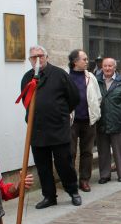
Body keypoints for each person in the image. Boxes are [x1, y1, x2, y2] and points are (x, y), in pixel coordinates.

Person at [21, 45, 81, 208]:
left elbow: (74, 97)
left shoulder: (59, 74)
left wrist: (61, 113)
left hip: (57, 128)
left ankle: (73, 191)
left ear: (47, 57)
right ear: (29, 60)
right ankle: (49, 196)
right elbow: (26, 101)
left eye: (40, 56)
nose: (37, 59)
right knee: (43, 166)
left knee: (64, 163)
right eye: (33, 57)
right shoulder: (27, 77)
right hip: (37, 129)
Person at [67, 49, 101, 193]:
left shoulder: (90, 77)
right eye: (84, 59)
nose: (87, 62)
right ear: (75, 62)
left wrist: (94, 110)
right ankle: (70, 180)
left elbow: (98, 96)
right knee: (71, 151)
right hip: (71, 121)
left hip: (88, 120)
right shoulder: (66, 76)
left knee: (87, 152)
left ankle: (84, 180)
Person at [96, 57, 121, 183]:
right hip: (101, 121)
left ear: (115, 67)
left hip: (117, 121)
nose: (107, 68)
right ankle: (104, 175)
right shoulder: (96, 81)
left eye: (110, 66)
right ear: (102, 67)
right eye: (105, 66)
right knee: (103, 151)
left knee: (119, 151)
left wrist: (119, 111)